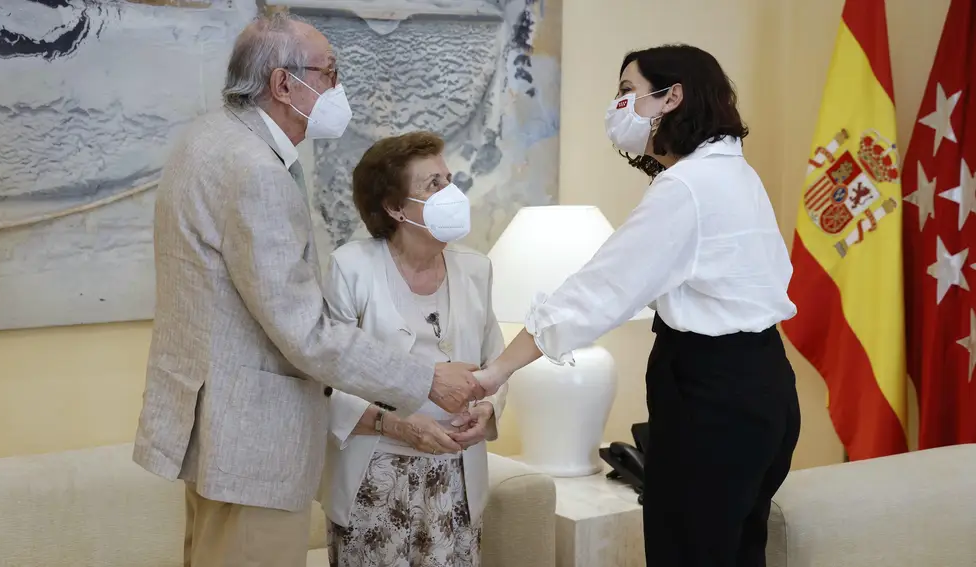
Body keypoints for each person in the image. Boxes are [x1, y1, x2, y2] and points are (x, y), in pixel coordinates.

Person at [131, 14, 483, 567]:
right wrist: (425, 380)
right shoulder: (255, 171)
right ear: (283, 84)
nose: (338, 89)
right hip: (252, 444)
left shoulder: (207, 139)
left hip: (218, 428)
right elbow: (304, 330)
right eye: (330, 73)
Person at [476, 44, 801, 566]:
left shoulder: (687, 187)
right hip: (765, 386)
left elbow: (595, 293)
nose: (618, 105)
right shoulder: (736, 173)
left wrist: (495, 372)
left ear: (671, 96)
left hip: (711, 397)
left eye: (628, 91)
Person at [317, 131, 508, 567]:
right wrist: (398, 426)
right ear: (395, 207)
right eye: (433, 185)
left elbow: (496, 365)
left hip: (456, 477)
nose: (451, 192)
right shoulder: (351, 269)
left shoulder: (477, 270)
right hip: (375, 477)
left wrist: (490, 409)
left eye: (450, 179)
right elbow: (326, 379)